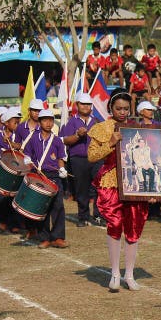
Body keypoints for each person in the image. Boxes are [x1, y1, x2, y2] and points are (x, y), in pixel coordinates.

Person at [88, 93, 151, 292]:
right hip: (111, 182)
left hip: (134, 181)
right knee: (114, 224)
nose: (122, 112)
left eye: (125, 109)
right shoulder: (102, 128)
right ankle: (115, 273)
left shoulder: (137, 128)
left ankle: (129, 274)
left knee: (134, 226)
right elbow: (91, 156)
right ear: (111, 109)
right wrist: (110, 143)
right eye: (118, 108)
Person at [22, 109, 68, 249]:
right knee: (42, 207)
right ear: (40, 122)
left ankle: (58, 237)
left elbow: (61, 157)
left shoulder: (57, 140)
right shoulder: (33, 138)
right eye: (45, 120)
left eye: (51, 120)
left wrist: (62, 169)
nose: (48, 123)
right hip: (39, 176)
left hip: (54, 176)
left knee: (58, 206)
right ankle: (44, 237)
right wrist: (27, 160)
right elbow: (27, 154)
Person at [60, 92, 102, 227]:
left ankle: (99, 215)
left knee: (100, 187)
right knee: (81, 189)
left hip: (96, 158)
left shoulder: (96, 121)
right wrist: (78, 135)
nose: (85, 106)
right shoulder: (72, 121)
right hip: (78, 159)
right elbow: (65, 140)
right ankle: (83, 217)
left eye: (88, 104)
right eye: (83, 104)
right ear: (77, 105)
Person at [0, 107, 22, 232]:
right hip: (3, 171)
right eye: (15, 122)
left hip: (17, 172)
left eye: (18, 122)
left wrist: (13, 145)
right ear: (6, 123)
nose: (17, 125)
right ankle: (3, 220)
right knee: (3, 197)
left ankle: (14, 224)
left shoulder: (19, 136)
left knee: (15, 197)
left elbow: (21, 147)